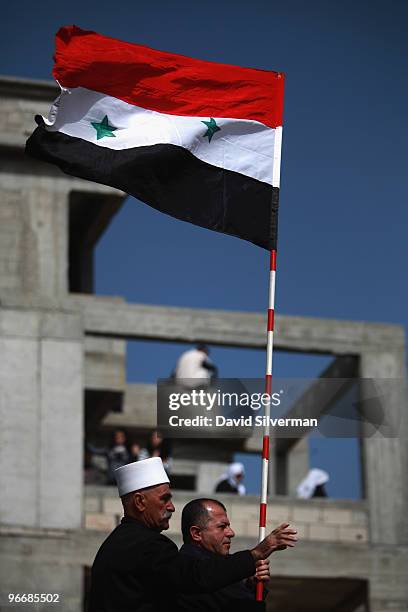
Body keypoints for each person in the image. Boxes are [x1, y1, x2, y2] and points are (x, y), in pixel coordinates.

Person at [89, 457, 298, 612]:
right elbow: (196, 577)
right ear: (140, 502)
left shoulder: (121, 542)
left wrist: (251, 586)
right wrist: (255, 554)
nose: (171, 507)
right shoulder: (146, 546)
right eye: (164, 499)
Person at [178, 498, 274, 611]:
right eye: (222, 527)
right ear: (197, 533)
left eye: (228, 526)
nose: (231, 533)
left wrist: (252, 586)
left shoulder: (217, 568)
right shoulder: (190, 571)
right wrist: (258, 553)